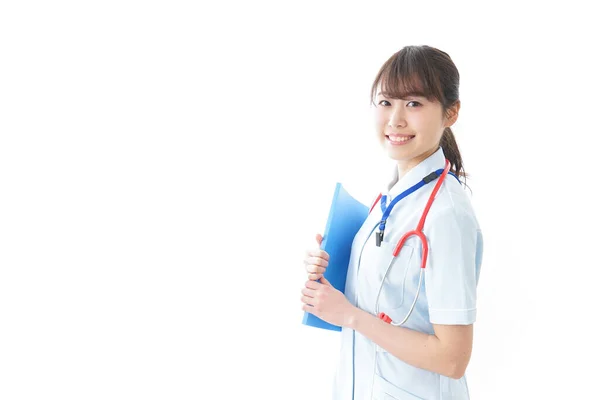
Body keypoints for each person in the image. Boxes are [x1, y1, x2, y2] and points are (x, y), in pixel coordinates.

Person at [301, 45, 484, 400]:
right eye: (386, 102)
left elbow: (452, 358)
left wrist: (349, 315)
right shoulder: (393, 199)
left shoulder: (447, 215)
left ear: (451, 113)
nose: (395, 120)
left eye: (414, 103)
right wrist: (334, 270)